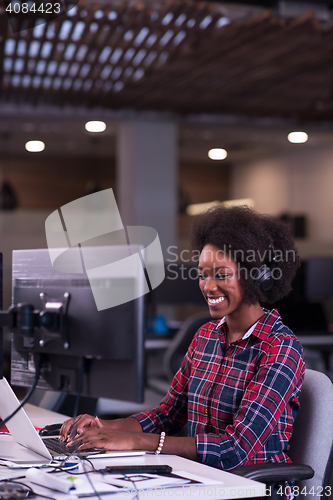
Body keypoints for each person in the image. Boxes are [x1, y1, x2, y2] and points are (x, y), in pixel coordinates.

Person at [60, 205, 305, 474]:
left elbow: (236, 448)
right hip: (199, 474)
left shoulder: (280, 347)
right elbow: (169, 413)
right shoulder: (206, 336)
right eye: (203, 274)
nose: (208, 286)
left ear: (258, 277)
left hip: (253, 485)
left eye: (221, 275)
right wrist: (107, 427)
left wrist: (134, 441)